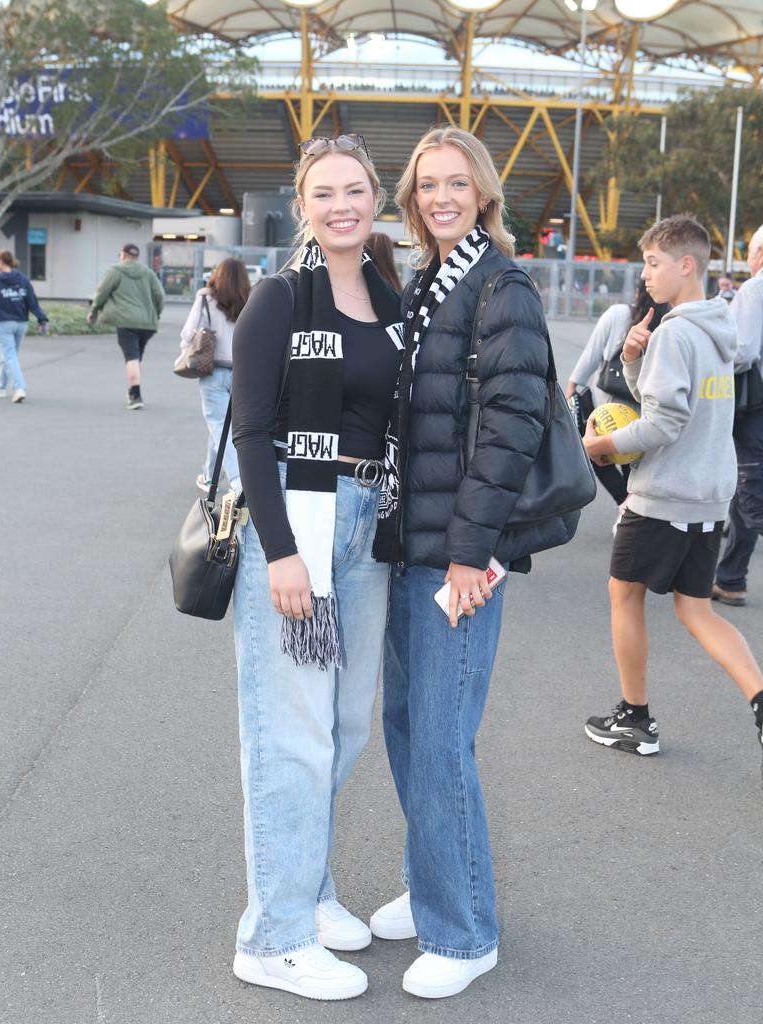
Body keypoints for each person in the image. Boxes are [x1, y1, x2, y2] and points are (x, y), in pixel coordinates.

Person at [369, 127, 554, 999]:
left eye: (456, 183)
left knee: (442, 741)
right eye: (427, 184)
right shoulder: (427, 282)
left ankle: (465, 927)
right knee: (409, 731)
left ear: (482, 191)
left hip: (458, 559)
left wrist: (472, 555)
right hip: (416, 547)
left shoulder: (499, 285)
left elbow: (512, 427)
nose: (441, 196)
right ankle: (436, 880)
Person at [229, 134, 403, 1001]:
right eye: (324, 193)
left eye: (356, 190)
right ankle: (274, 935)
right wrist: (284, 551)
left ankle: (309, 888)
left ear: (377, 199)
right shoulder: (277, 298)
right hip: (298, 522)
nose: (342, 205)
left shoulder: (387, 296)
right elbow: (252, 432)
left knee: (344, 730)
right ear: (303, 206)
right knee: (290, 736)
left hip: (367, 526)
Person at [582, 215, 763, 760]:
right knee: (696, 610)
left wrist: (601, 449)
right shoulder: (717, 328)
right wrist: (635, 361)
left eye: (654, 263)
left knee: (624, 595)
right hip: (708, 497)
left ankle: (635, 719)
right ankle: (760, 698)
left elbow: (662, 425)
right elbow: (673, 401)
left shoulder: (675, 332)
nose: (645, 276)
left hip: (665, 495)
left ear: (687, 265)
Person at [565, 280, 669, 505]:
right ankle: (632, 504)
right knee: (633, 466)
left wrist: (571, 388)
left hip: (604, 410)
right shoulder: (667, 325)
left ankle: (624, 502)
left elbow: (591, 356)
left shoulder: (618, 314)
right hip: (640, 413)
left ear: (636, 293)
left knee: (596, 454)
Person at [713, 226, 763, 607]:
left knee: (750, 493)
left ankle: (731, 577)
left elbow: (742, 350)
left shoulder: (753, 290)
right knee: (745, 494)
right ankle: (731, 578)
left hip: (755, 410)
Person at [178, 258, 250, 493]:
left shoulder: (206, 297)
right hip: (243, 372)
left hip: (213, 370)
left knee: (219, 425)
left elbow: (189, 333)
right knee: (225, 425)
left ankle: (239, 482)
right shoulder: (250, 297)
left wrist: (185, 351)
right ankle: (210, 476)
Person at [87, 243, 164, 410]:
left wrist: (94, 310)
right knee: (137, 358)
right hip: (147, 323)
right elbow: (160, 296)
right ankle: (131, 390)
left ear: (122, 255)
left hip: (126, 322)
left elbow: (101, 292)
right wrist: (155, 314)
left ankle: (136, 395)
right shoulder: (148, 273)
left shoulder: (115, 271)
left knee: (131, 358)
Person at [0, 250, 48, 403]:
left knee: (9, 356)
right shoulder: (23, 279)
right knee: (10, 356)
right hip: (21, 323)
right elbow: (32, 301)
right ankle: (1, 387)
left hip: (4, 323)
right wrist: (41, 319)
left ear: (1, 262)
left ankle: (19, 388)